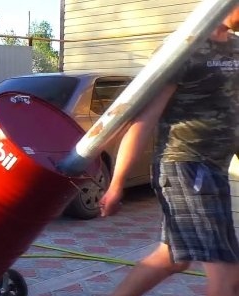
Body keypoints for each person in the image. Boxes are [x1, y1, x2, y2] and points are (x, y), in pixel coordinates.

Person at [98, 6, 239, 296]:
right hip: (185, 166)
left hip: (214, 169)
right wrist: (116, 183)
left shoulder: (236, 48)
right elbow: (144, 120)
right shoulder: (181, 47)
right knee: (228, 274)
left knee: (173, 258)